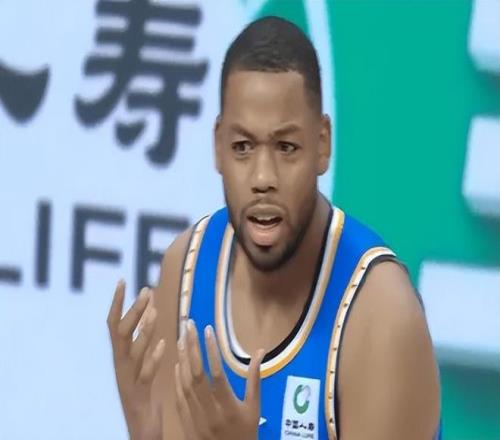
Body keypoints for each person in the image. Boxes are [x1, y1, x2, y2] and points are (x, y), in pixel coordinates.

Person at [107, 16, 441, 440]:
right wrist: (145, 433)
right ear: (218, 147)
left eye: (286, 147)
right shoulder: (185, 271)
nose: (263, 177)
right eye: (242, 147)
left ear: (322, 144)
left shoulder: (382, 316)